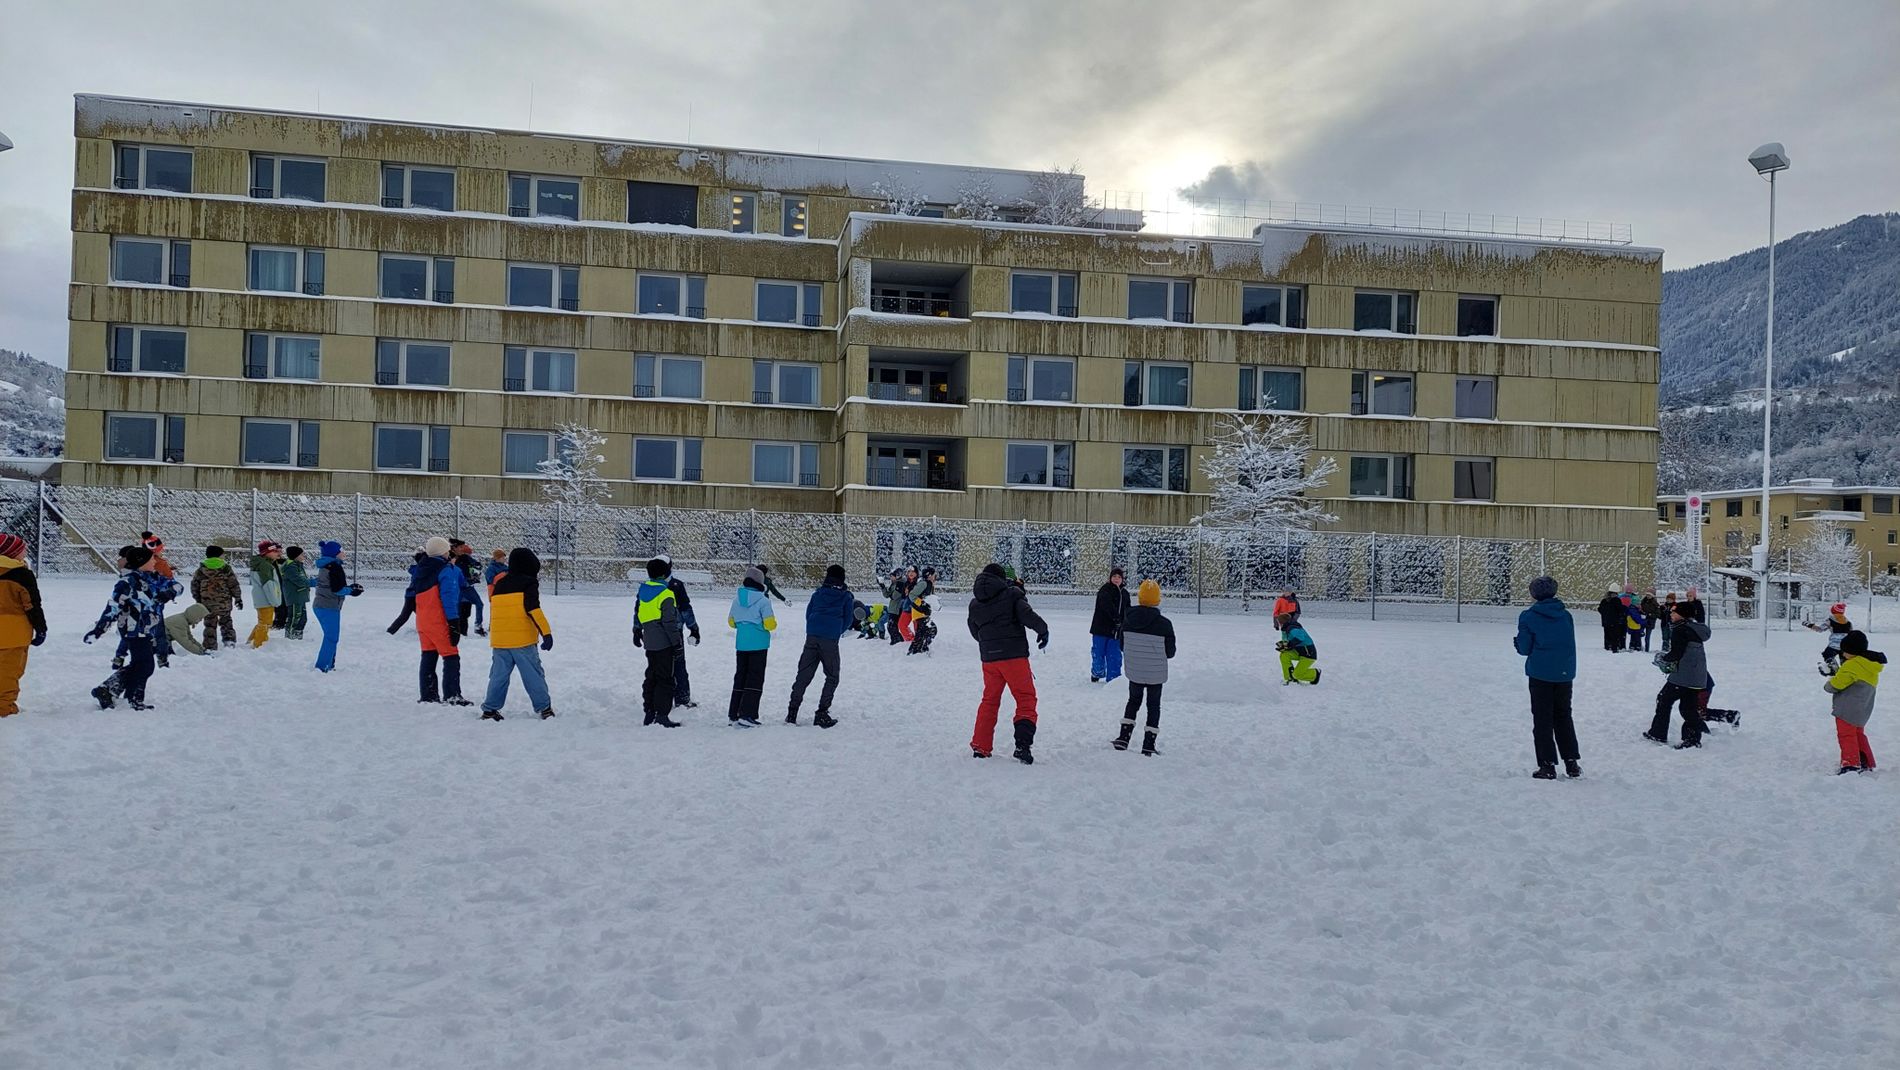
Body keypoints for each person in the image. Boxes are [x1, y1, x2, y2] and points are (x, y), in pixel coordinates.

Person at [967, 562, 1049, 763]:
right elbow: (1027, 615)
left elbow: (974, 630)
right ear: (1002, 579)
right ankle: (1022, 745)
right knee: (1025, 698)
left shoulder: (975, 603)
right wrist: (1043, 629)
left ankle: (981, 746)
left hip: (989, 659)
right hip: (1014, 657)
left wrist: (990, 643)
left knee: (989, 700)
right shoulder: (1012, 595)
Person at [85, 545, 167, 710]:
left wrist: (168, 593)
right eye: (152, 559)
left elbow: (175, 586)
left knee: (141, 664)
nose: (154, 561)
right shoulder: (127, 582)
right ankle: (117, 692)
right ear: (141, 562)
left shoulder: (150, 578)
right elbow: (113, 607)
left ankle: (119, 693)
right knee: (145, 665)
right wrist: (99, 629)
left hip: (146, 628)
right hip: (133, 629)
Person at [1514, 575, 1580, 779]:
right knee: (1563, 717)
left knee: (1542, 719)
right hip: (1564, 673)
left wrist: (1517, 642)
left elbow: (1525, 648)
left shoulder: (1529, 616)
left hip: (1540, 674)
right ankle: (1572, 762)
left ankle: (1547, 764)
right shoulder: (1565, 615)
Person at [481, 547, 555, 721]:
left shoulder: (499, 584)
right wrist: (546, 633)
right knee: (533, 675)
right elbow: (533, 609)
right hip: (522, 641)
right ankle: (544, 708)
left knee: (498, 677)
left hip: (500, 641)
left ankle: (490, 709)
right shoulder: (529, 583)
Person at [787, 564, 853, 727]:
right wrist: (837, 631)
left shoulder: (818, 593)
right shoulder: (845, 597)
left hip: (812, 636)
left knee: (803, 674)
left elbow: (808, 613)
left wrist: (814, 627)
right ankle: (822, 713)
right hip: (830, 639)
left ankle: (792, 712)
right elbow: (849, 619)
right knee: (832, 676)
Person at [1115, 579, 1176, 755]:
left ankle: (1123, 738)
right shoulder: (1165, 624)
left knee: (1133, 701)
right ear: (1158, 599)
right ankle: (1148, 744)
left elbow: (1122, 646)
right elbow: (1170, 652)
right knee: (1153, 705)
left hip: (1135, 670)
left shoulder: (1127, 619)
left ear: (1140, 598)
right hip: (1155, 673)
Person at [410, 537, 471, 705]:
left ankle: (428, 695)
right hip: (440, 620)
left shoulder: (421, 569)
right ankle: (452, 695)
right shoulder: (446, 569)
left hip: (423, 621)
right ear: (443, 552)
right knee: (451, 656)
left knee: (428, 656)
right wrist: (454, 622)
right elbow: (448, 597)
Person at [1647, 602, 1712, 749]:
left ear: (1682, 614)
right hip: (1697, 677)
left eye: (1673, 611)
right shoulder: (1694, 629)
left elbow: (1677, 653)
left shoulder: (1680, 630)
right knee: (1688, 708)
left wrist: (1663, 659)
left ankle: (1658, 733)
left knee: (1664, 700)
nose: (1670, 613)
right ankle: (1693, 739)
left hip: (1683, 677)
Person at [0, 532, 48, 717]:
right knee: (8, 672)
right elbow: (32, 604)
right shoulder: (21, 574)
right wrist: (41, 628)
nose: (25, 552)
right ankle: (4, 707)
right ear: (11, 553)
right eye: (22, 549)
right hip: (14, 633)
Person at [632, 557, 683, 727]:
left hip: (649, 641)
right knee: (665, 678)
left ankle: (649, 711)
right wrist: (676, 643)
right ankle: (662, 714)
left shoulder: (643, 589)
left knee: (651, 676)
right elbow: (669, 622)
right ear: (665, 573)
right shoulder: (666, 594)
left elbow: (638, 611)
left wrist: (636, 630)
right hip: (664, 643)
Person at [1823, 630, 1882, 774]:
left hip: (1847, 710)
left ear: (1853, 651)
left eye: (1845, 651)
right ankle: (1865, 761)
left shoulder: (1852, 665)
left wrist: (1829, 681)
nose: (1842, 654)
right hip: (1862, 709)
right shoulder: (1870, 665)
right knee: (1858, 735)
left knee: (1846, 735)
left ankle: (1851, 765)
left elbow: (1835, 685)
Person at [726, 566, 777, 727]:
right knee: (755, 678)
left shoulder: (736, 599)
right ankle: (748, 714)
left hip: (741, 645)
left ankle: (734, 713)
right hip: (759, 645)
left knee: (740, 677)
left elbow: (731, 622)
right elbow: (770, 624)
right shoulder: (763, 600)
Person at [655, 554, 701, 710]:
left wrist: (638, 628)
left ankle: (662, 697)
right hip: (673, 632)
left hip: (655, 633)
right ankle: (681, 698)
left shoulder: (651, 586)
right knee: (678, 665)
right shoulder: (675, 585)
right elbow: (685, 609)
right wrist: (693, 628)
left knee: (661, 666)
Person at [310, 540, 363, 673]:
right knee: (331, 637)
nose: (344, 553)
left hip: (322, 605)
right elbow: (337, 589)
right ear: (335, 554)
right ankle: (322, 667)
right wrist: (352, 590)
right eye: (341, 551)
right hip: (328, 606)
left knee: (331, 637)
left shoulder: (327, 565)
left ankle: (329, 663)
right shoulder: (334, 567)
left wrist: (350, 588)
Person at [190, 544, 242, 651]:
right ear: (219, 555)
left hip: (207, 604)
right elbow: (233, 585)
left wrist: (198, 599)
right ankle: (229, 641)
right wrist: (238, 598)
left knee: (209, 625)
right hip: (224, 603)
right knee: (226, 622)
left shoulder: (201, 569)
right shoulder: (226, 568)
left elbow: (194, 586)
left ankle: (210, 646)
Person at [1089, 567, 1130, 684]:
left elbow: (1127, 609)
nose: (1116, 579)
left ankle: (1114, 678)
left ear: (1122, 579)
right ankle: (1097, 672)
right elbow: (1106, 607)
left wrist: (1126, 622)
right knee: (1098, 653)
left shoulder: (1125, 594)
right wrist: (1116, 618)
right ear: (1110, 578)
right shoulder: (1105, 590)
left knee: (1114, 655)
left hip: (1117, 631)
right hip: (1101, 628)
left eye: (1119, 577)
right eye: (1114, 577)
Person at [247, 540, 284, 648]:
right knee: (266, 623)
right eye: (275, 551)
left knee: (262, 621)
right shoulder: (265, 566)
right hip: (265, 599)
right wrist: (275, 600)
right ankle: (259, 644)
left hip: (261, 598)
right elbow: (268, 585)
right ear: (266, 553)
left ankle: (252, 640)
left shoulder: (263, 563)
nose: (278, 553)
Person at [450, 539, 487, 638]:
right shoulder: (448, 558)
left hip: (465, 586)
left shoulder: (464, 558)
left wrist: (475, 571)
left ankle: (475, 626)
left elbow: (477, 565)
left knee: (471, 608)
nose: (463, 549)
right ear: (454, 547)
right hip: (456, 588)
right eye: (461, 547)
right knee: (458, 610)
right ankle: (457, 630)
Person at [386, 551, 429, 634]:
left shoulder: (417, 569)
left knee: (421, 616)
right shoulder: (420, 570)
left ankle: (391, 631)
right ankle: (390, 631)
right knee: (405, 616)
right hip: (413, 596)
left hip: (412, 595)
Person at [1805, 603, 1854, 675]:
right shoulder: (1848, 622)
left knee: (1827, 654)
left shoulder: (1830, 620)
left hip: (1834, 644)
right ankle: (1846, 669)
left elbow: (1820, 629)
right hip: (1846, 644)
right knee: (1844, 658)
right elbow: (1852, 633)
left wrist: (1810, 625)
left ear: (1833, 611)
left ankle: (1833, 667)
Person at [1275, 613, 1319, 685]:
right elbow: (1287, 641)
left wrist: (1289, 645)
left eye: (1279, 623)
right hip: (1299, 652)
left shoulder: (1293, 628)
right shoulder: (1286, 629)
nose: (1279, 625)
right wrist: (1283, 645)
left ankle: (1315, 673)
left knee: (1297, 674)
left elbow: (1300, 638)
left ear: (1282, 622)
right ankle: (1290, 679)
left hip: (1308, 654)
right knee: (1284, 655)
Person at [279, 546, 312, 640]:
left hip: (301, 596)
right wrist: (311, 582)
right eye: (301, 554)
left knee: (303, 618)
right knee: (295, 617)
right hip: (294, 597)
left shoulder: (298, 565)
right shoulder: (290, 567)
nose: (304, 556)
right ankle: (290, 637)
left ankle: (298, 637)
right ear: (296, 556)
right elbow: (299, 580)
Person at [881, 568, 910, 646]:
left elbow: (895, 596)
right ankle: (897, 641)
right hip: (893, 608)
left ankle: (898, 642)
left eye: (892, 576)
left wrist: (891, 594)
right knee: (891, 626)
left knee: (892, 626)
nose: (891, 578)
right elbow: (886, 595)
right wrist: (882, 586)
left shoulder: (901, 583)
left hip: (898, 609)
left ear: (897, 576)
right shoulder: (894, 583)